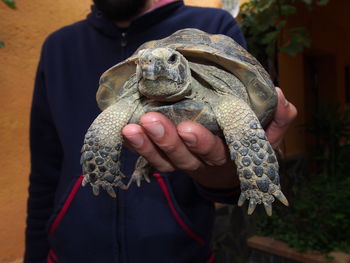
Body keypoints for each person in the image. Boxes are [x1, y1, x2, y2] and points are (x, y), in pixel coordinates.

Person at [24, 0, 297, 262]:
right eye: (145, 64)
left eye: (168, 61)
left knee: (240, 126)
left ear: (181, 66)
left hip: (182, 251)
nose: (153, 67)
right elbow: (44, 172)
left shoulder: (215, 26)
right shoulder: (58, 47)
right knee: (103, 133)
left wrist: (232, 174)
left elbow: (234, 145)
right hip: (70, 252)